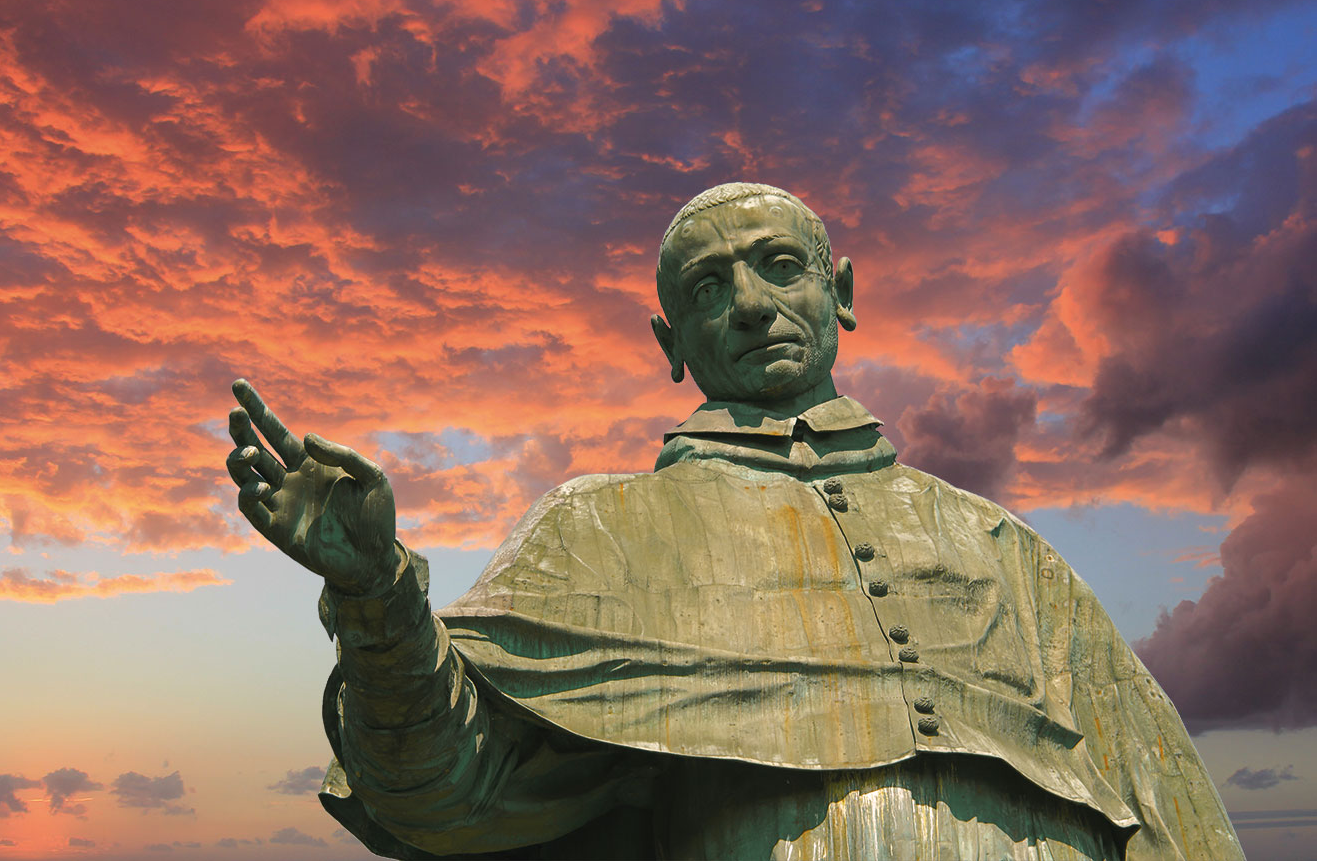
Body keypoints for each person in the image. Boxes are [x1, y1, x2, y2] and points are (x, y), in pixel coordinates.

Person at [226, 183, 1244, 860]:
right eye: (710, 288)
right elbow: (442, 793)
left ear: (840, 294)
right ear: (671, 341)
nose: (752, 305)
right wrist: (375, 597)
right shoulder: (602, 528)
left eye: (780, 268)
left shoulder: (997, 546)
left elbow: (1173, 809)